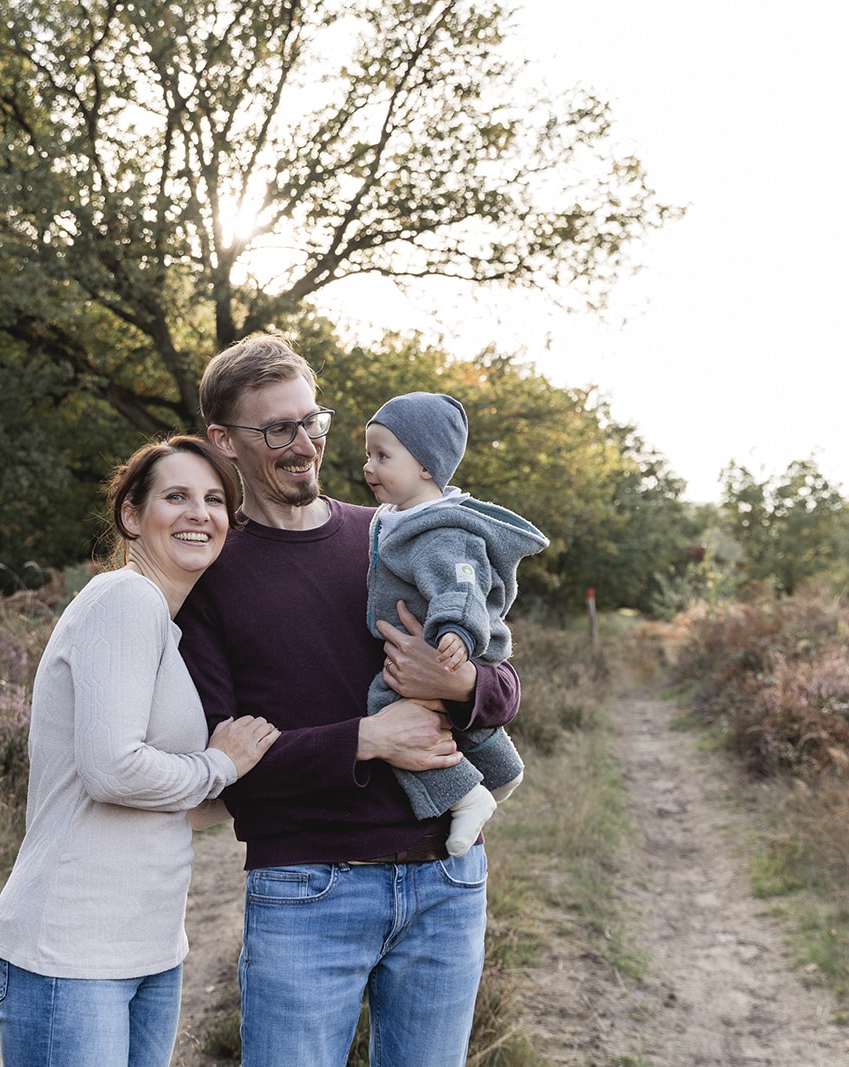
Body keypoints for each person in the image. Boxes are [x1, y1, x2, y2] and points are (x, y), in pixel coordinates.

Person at [175, 336, 523, 1066]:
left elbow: (504, 687)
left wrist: (458, 685)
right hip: (306, 887)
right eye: (277, 429)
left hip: (447, 880)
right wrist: (367, 737)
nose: (306, 444)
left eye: (313, 420)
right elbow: (218, 759)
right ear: (223, 440)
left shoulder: (393, 533)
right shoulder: (210, 575)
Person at [0, 435, 280, 1067]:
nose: (199, 513)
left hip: (148, 946)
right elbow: (111, 770)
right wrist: (220, 765)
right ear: (131, 516)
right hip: (73, 948)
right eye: (176, 496)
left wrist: (272, 777)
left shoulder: (165, 626)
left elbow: (174, 801)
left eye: (213, 499)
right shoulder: (123, 600)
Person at [361, 391, 549, 857]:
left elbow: (462, 585)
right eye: (369, 454)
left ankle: (465, 794)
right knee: (445, 712)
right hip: (434, 643)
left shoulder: (441, 529)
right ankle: (503, 771)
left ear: (425, 466)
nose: (368, 466)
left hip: (450, 642)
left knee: (388, 705)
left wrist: (455, 632)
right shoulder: (397, 517)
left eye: (382, 455)